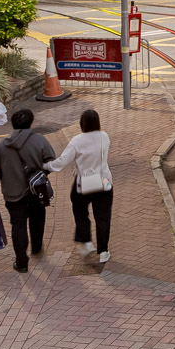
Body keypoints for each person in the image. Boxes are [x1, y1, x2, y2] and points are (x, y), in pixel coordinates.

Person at [0, 108, 56, 272]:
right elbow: (51, 161)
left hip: (12, 193)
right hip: (36, 191)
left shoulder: (2, 146)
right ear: (31, 123)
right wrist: (40, 173)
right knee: (37, 219)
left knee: (18, 226)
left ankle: (22, 262)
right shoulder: (40, 141)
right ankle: (37, 247)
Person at [44, 109, 113, 264]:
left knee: (79, 209)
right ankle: (103, 251)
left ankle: (86, 241)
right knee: (103, 217)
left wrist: (46, 166)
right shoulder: (105, 136)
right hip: (104, 181)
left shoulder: (77, 141)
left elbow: (62, 161)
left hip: (86, 182)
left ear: (82, 123)